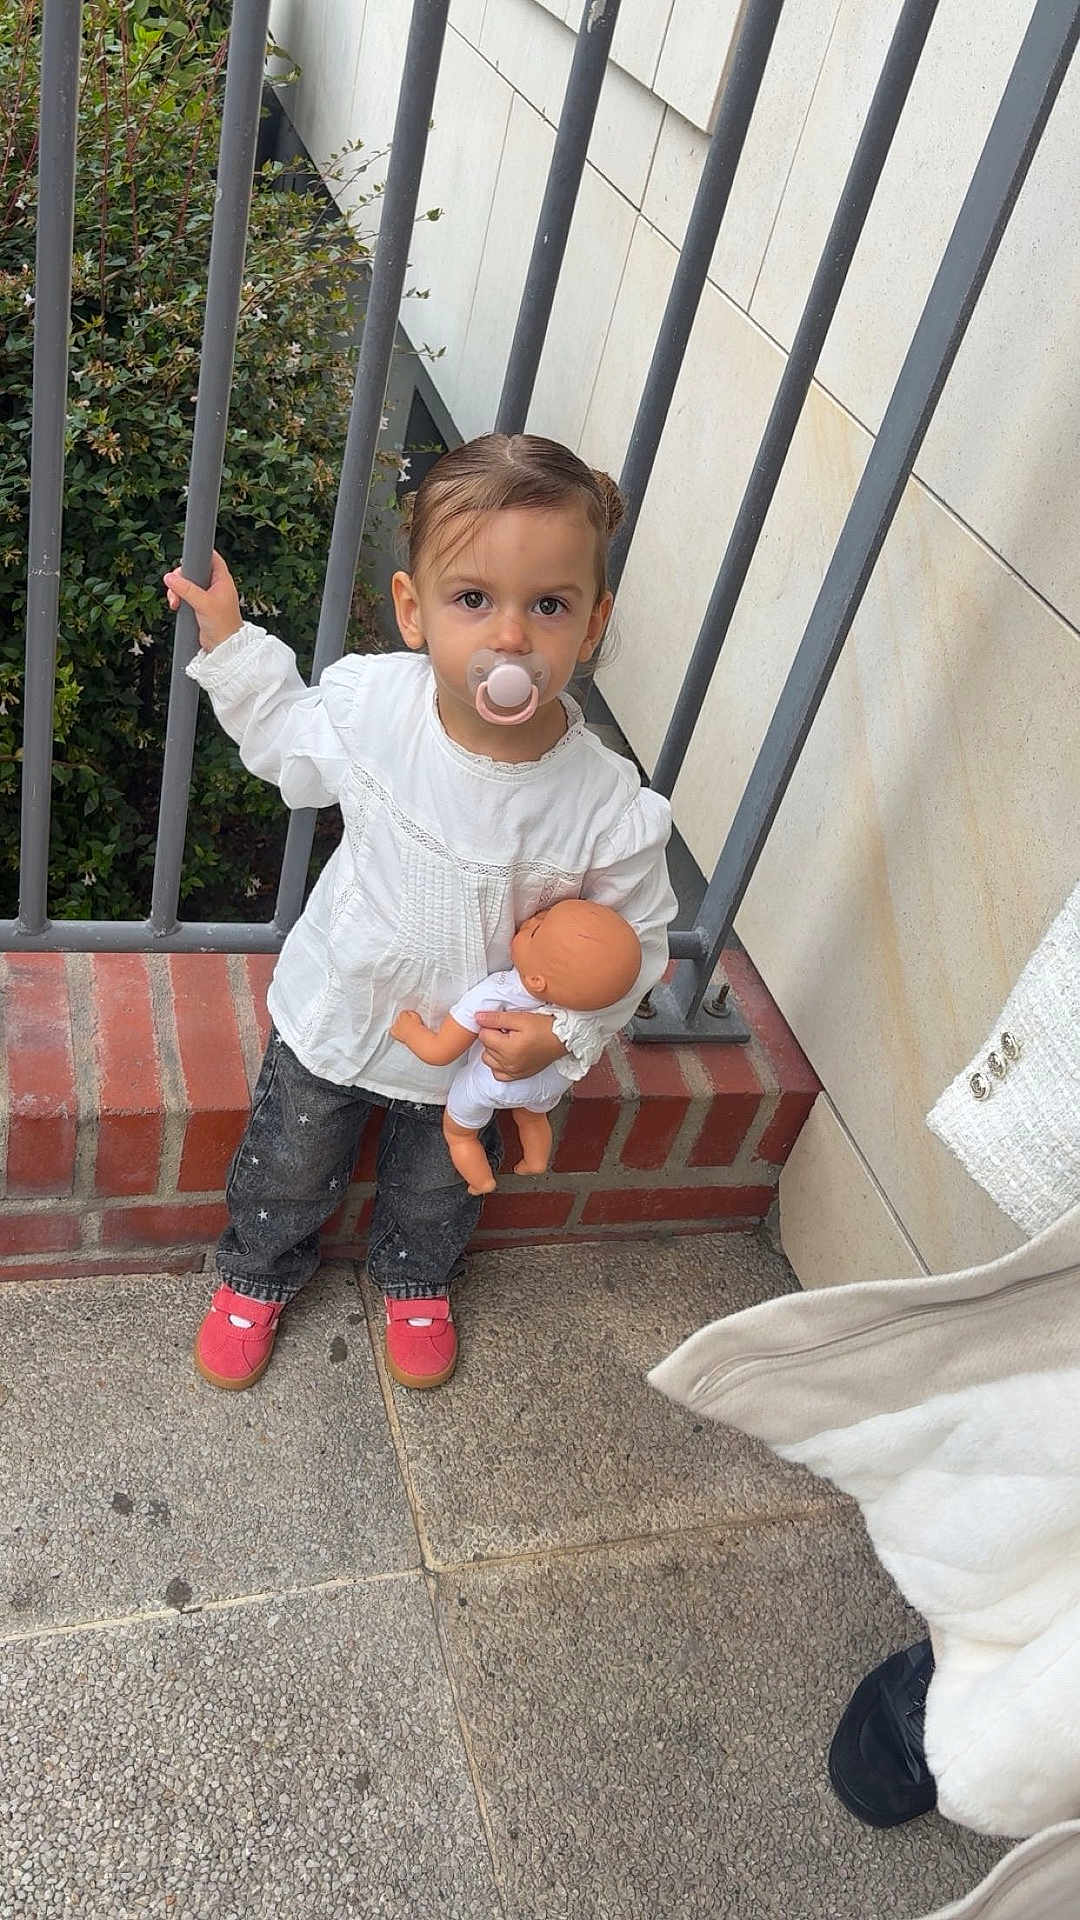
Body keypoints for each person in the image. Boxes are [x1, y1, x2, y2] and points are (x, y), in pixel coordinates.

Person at [163, 432, 678, 1394]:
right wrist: (231, 644)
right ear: (415, 608)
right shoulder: (375, 709)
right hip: (349, 1000)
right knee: (292, 1150)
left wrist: (560, 1033)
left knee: (440, 1179)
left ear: (593, 622)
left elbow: (636, 946)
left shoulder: (606, 805)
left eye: (550, 605)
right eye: (474, 599)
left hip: (476, 1050)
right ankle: (256, 1271)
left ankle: (416, 1276)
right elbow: (284, 742)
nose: (511, 638)